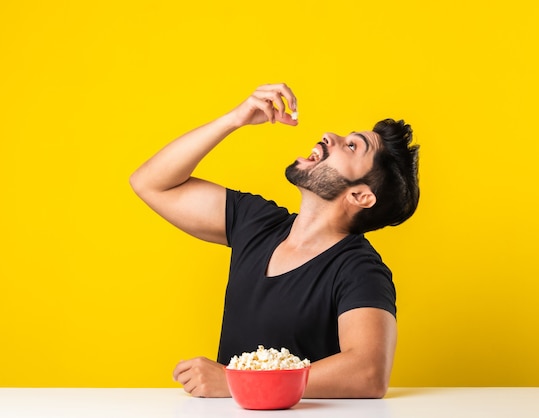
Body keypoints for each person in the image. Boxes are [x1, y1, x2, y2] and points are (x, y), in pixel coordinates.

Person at [129, 83, 420, 399]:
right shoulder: (256, 223)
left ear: (360, 195)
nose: (329, 137)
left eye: (351, 147)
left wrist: (234, 380)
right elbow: (150, 183)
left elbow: (369, 374)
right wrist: (233, 120)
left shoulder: (360, 271)